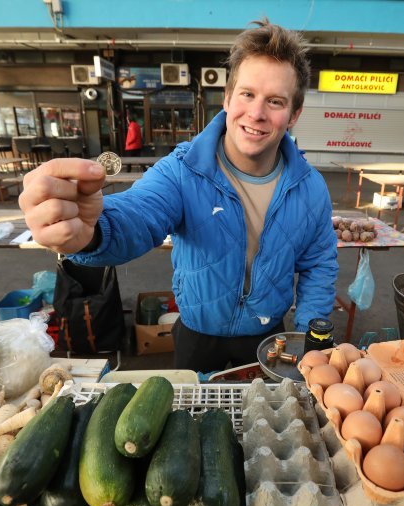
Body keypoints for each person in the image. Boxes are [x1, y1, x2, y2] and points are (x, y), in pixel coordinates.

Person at [20, 18, 338, 372]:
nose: (257, 113)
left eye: (275, 101)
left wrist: (311, 338)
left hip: (269, 340)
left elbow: (319, 266)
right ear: (228, 98)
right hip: (196, 336)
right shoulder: (183, 170)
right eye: (247, 94)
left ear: (294, 114)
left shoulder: (310, 188)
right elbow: (139, 214)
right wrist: (93, 231)